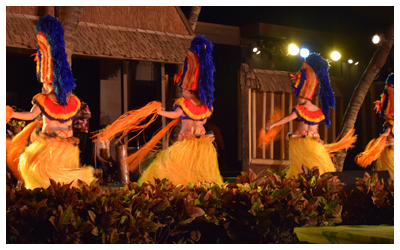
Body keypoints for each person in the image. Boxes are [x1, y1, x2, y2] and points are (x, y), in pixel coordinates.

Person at [94, 36, 223, 185]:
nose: (182, 91)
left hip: (187, 141)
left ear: (189, 90)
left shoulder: (184, 104)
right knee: (198, 169)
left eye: (184, 89)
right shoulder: (205, 107)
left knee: (177, 166)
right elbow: (204, 121)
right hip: (202, 140)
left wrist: (159, 112)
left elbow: (175, 115)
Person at [6, 15, 96, 189]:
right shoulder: (73, 102)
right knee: (65, 183)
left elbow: (30, 115)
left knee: (38, 176)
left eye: (44, 82)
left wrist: (11, 113)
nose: (43, 84)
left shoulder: (43, 99)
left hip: (48, 146)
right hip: (67, 146)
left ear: (48, 82)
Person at [264, 53, 356, 178]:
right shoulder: (318, 111)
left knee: (302, 170)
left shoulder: (299, 109)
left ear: (302, 94)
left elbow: (287, 119)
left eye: (297, 96)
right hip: (313, 142)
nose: (296, 99)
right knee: (316, 167)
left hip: (302, 142)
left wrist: (273, 124)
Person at [355, 73, 394, 177]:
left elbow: (386, 134)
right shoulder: (389, 124)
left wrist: (380, 140)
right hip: (390, 149)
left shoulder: (390, 123)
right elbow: (386, 133)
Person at [73, 101, 91, 165]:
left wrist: (77, 115)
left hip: (82, 131)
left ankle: (81, 166)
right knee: (74, 150)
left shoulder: (83, 105)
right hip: (73, 131)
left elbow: (88, 115)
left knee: (81, 150)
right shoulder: (71, 105)